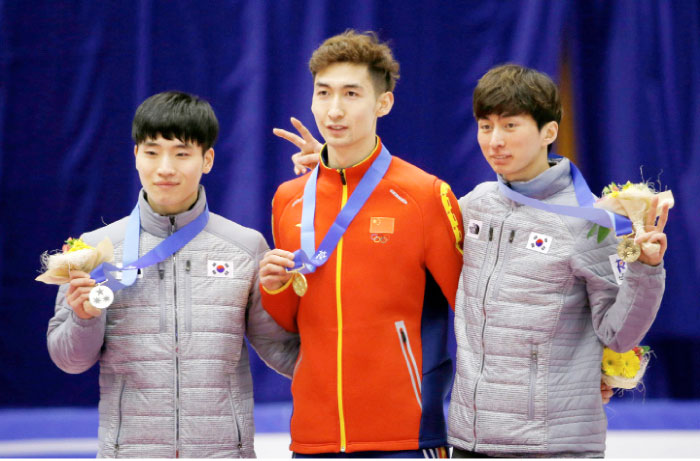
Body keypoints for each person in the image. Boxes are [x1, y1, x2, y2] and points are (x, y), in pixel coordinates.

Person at [47, 91, 299, 458]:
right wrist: (84, 319)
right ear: (136, 156)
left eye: (182, 153)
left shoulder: (244, 247)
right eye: (152, 152)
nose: (165, 167)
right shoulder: (93, 248)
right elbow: (68, 359)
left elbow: (280, 349)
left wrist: (357, 365)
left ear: (207, 159)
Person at [259, 30, 464, 458]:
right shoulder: (289, 199)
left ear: (382, 103)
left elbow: (475, 313)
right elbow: (292, 320)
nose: (334, 110)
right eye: (323, 93)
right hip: (314, 438)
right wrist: (274, 285)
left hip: (406, 436)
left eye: (352, 93)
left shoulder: (425, 195)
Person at [446, 64, 668, 457]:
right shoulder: (473, 206)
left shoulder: (590, 220)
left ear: (549, 131)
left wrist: (645, 268)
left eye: (510, 126)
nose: (495, 140)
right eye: (485, 126)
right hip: (469, 441)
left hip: (553, 446)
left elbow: (619, 336)